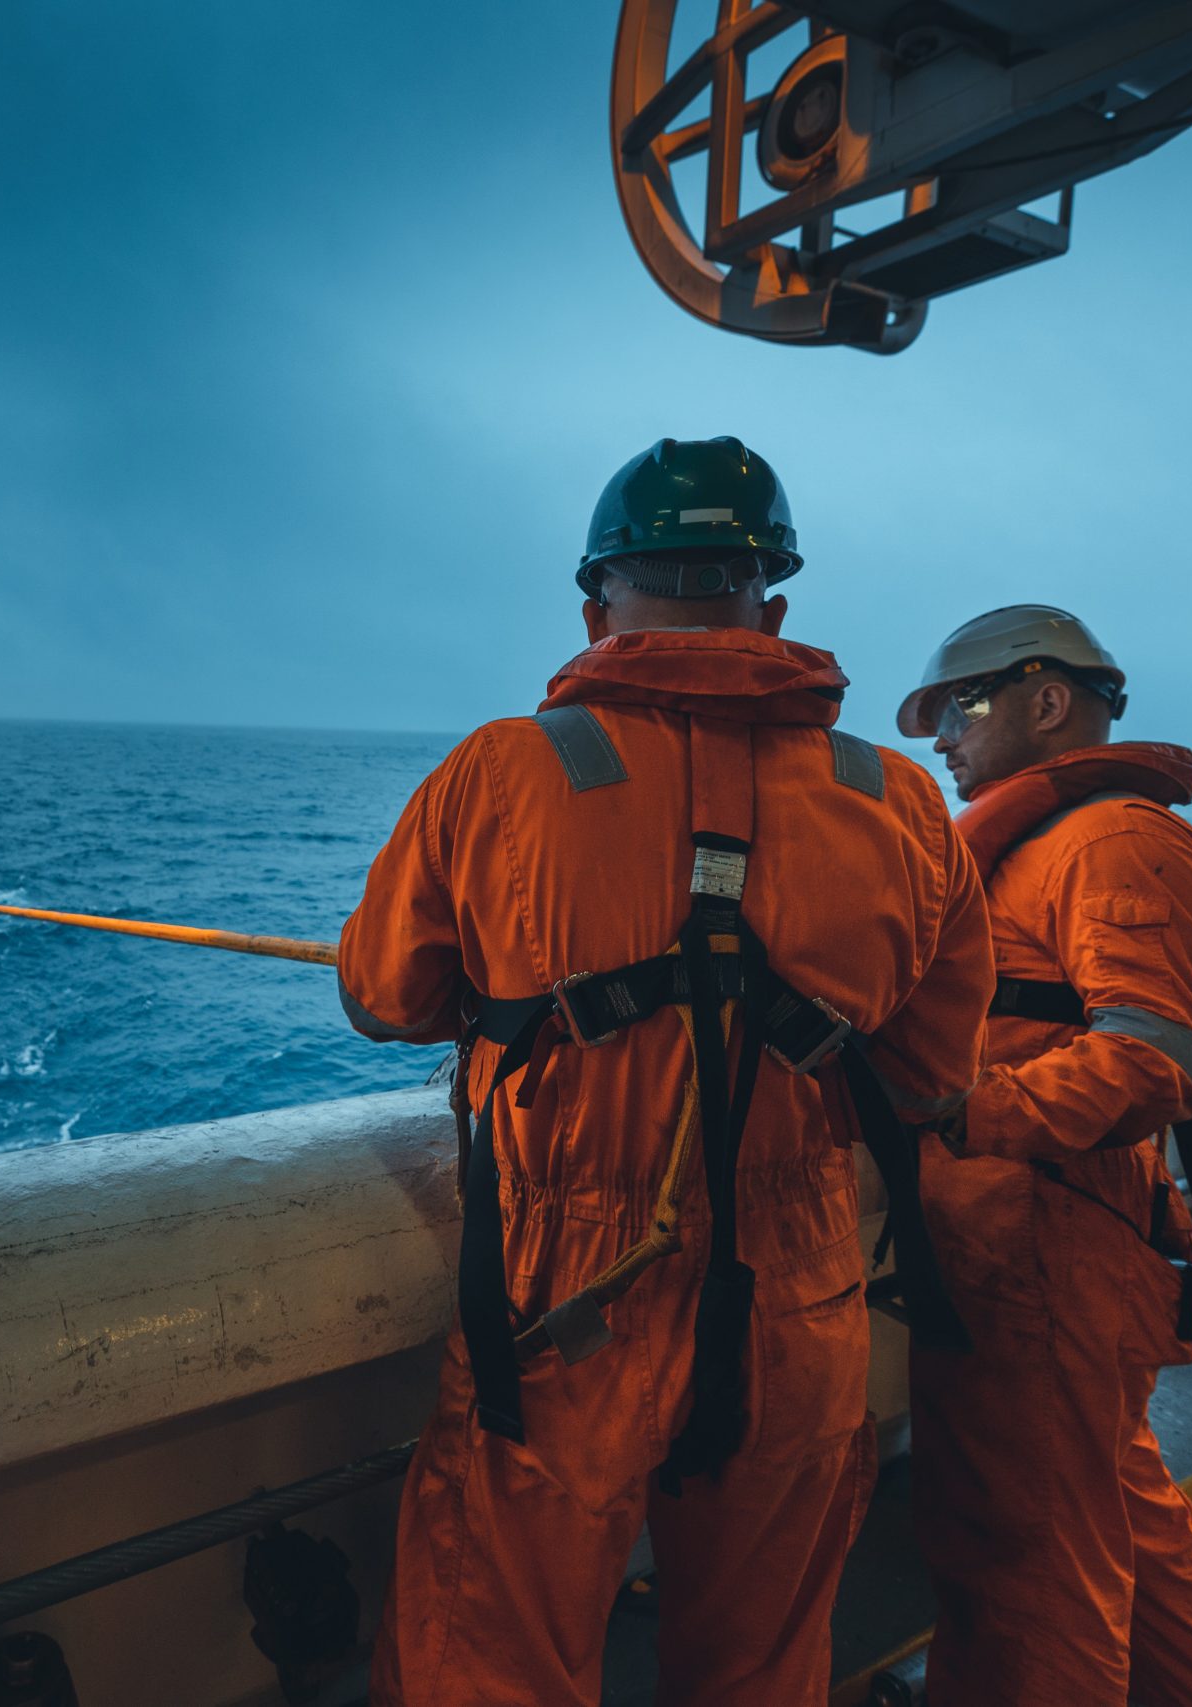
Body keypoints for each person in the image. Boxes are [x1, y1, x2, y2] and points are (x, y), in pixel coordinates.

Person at [337, 437, 993, 1704]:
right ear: (774, 605)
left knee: (493, 1660)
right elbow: (927, 1076)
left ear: (599, 604)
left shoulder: (503, 770)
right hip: (797, 1300)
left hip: (563, 1297)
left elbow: (383, 998)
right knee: (760, 1667)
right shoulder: (901, 803)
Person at [895, 605, 1192, 1706]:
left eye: (957, 710)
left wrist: (962, 1113)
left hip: (1046, 1253)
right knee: (1115, 1516)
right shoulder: (1047, 842)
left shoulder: (1116, 840)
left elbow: (1158, 1062)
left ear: (1045, 700)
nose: (941, 742)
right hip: (1018, 1246)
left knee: (1031, 1565)